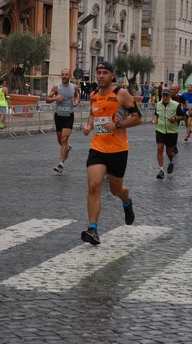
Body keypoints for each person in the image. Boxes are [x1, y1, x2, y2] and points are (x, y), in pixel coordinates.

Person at [80, 61, 142, 246]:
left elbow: (138, 118)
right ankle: (93, 229)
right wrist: (89, 125)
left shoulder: (121, 94)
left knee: (116, 189)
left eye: (105, 72)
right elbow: (94, 113)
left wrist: (117, 125)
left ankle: (126, 200)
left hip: (118, 149)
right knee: (93, 185)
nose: (100, 76)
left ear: (112, 75)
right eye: (98, 72)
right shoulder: (93, 96)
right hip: (98, 147)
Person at [46, 68, 80, 174]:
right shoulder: (56, 87)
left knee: (64, 139)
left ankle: (61, 165)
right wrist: (55, 99)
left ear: (70, 76)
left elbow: (77, 96)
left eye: (66, 74)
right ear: (61, 76)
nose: (64, 76)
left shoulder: (74, 87)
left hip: (69, 116)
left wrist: (76, 101)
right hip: (58, 116)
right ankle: (67, 148)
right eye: (62, 74)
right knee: (60, 141)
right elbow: (47, 100)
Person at [152, 88, 185, 179]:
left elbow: (183, 116)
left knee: (169, 152)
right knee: (159, 148)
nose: (165, 97)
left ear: (170, 96)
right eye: (163, 95)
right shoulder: (158, 104)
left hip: (172, 132)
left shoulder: (176, 105)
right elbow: (156, 114)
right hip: (160, 130)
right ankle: (161, 170)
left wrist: (174, 119)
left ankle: (171, 161)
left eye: (167, 95)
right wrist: (154, 119)